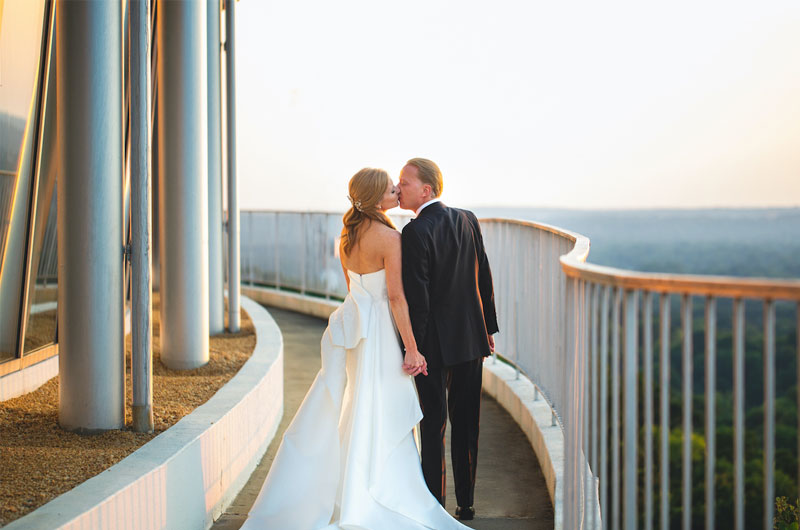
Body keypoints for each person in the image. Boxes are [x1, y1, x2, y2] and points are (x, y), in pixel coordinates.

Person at [241, 168, 469, 529]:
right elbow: (395, 297)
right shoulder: (389, 238)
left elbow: (354, 291)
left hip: (356, 330)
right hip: (379, 332)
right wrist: (412, 348)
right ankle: (379, 485)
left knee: (361, 402)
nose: (397, 190)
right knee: (381, 405)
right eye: (391, 189)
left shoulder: (347, 235)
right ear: (378, 198)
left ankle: (354, 483)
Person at [397, 158, 498, 521]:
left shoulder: (415, 232)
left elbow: (418, 297)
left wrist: (413, 348)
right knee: (467, 424)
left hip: (434, 348)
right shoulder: (468, 218)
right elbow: (483, 275)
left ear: (426, 190)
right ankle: (467, 504)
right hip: (472, 340)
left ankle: (435, 507)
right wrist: (488, 329)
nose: (398, 188)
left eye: (404, 183)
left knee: (433, 425)